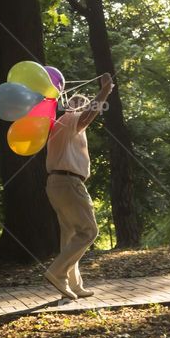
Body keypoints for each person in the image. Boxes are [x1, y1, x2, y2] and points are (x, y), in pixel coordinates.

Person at [43, 72, 114, 300]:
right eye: (80, 103)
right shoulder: (70, 120)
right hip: (68, 182)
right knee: (89, 231)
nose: (83, 107)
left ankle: (73, 285)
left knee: (70, 234)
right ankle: (56, 273)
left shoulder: (57, 126)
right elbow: (89, 115)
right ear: (70, 107)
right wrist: (104, 90)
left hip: (56, 183)